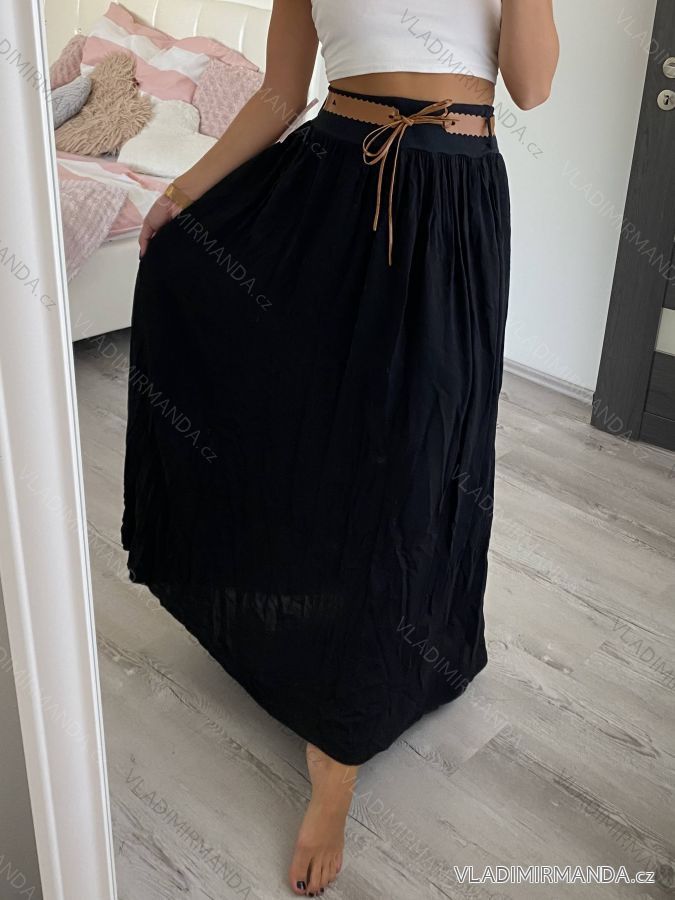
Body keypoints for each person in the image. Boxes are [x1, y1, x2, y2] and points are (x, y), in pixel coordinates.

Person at [122, 0, 559, 895]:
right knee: (317, 436)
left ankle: (350, 735)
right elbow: (282, 93)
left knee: (415, 459)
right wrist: (184, 192)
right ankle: (313, 672)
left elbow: (531, 86)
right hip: (327, 187)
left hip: (451, 200)